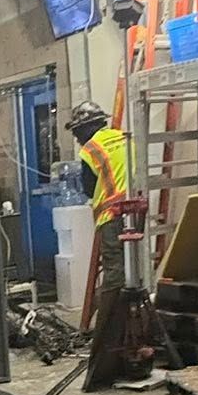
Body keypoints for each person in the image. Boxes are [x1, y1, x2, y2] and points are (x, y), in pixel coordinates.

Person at [67, 101, 127, 295]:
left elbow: (89, 189)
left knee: (114, 273)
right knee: (133, 265)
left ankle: (108, 322)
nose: (77, 139)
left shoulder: (90, 150)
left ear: (87, 127)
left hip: (111, 216)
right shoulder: (123, 138)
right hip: (136, 210)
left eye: (77, 133)